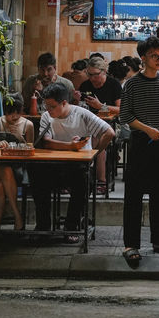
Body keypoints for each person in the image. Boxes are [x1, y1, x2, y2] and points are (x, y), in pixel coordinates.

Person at [31, 82, 115, 243]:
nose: (48, 110)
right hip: (54, 166)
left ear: (64, 103)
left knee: (81, 180)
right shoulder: (47, 116)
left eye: (52, 106)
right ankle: (43, 225)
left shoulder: (82, 114)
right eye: (46, 106)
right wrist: (70, 146)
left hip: (79, 166)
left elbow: (109, 132)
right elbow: (46, 142)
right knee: (37, 175)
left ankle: (72, 225)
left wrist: (94, 153)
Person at [120, 35, 159, 267]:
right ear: (143, 58)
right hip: (140, 145)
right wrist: (148, 129)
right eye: (155, 56)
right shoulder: (132, 84)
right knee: (133, 197)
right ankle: (130, 245)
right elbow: (125, 117)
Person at [0, 92, 34, 232]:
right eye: (9, 113)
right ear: (4, 111)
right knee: (4, 170)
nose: (13, 117)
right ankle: (17, 216)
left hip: (19, 169)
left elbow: (31, 149)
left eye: (17, 113)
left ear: (21, 111)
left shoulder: (28, 125)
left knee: (0, 186)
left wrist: (20, 138)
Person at [78, 57, 122, 195]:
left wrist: (101, 106)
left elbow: (121, 109)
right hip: (87, 123)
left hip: (111, 124)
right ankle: (78, 178)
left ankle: (101, 180)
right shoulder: (85, 85)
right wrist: (76, 99)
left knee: (97, 137)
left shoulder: (113, 85)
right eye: (89, 74)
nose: (92, 78)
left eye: (95, 74)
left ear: (104, 72)